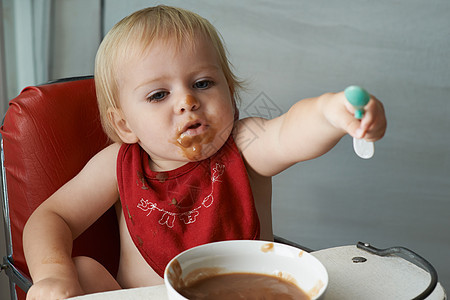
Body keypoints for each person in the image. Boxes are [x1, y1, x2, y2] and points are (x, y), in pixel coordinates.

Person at [23, 5, 386, 300]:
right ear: (125, 126)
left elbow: (291, 132)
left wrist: (329, 113)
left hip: (246, 295)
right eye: (158, 95)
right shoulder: (116, 166)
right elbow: (53, 216)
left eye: (202, 83)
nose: (187, 101)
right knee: (83, 269)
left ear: (230, 93)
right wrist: (53, 272)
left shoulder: (246, 145)